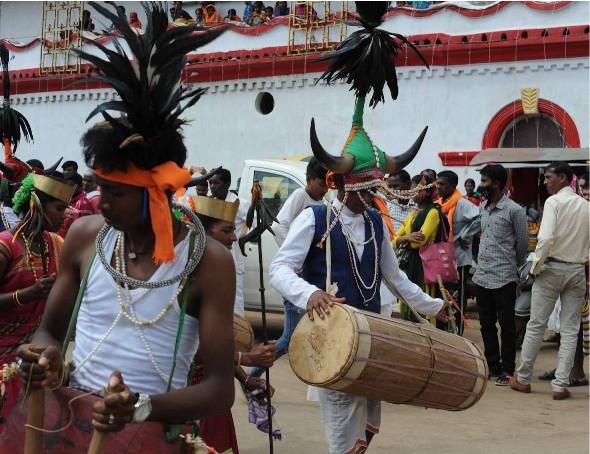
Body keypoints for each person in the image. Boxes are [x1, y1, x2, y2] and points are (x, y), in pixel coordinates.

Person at [4, 4, 233, 451]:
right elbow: (50, 329)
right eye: (100, 188)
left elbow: (221, 389)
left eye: (117, 193)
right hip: (65, 424)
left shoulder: (209, 262)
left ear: (156, 195)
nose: (100, 203)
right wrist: (45, 355)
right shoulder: (85, 236)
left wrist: (141, 407)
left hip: (151, 434)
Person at [271, 95, 447, 453]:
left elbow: (395, 278)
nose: (374, 195)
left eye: (375, 187)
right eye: (367, 188)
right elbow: (279, 269)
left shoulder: (374, 223)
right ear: (340, 183)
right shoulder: (314, 218)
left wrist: (432, 306)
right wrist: (310, 295)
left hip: (370, 339)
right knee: (342, 434)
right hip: (332, 341)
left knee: (364, 431)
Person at [191, 195, 276, 454]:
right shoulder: (188, 278)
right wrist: (247, 358)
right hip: (188, 395)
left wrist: (244, 380)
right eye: (226, 230)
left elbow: (217, 343)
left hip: (213, 393)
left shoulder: (218, 272)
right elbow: (196, 350)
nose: (234, 238)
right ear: (203, 234)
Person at [510, 162, 590, 400]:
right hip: (576, 270)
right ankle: (560, 385)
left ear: (563, 178)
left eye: (548, 177)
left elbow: (544, 240)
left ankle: (523, 379)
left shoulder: (554, 202)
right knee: (569, 329)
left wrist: (535, 268)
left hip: (552, 267)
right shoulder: (586, 207)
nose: (544, 182)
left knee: (536, 325)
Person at [0, 173, 72, 431]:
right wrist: (28, 293)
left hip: (35, 355)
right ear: (37, 204)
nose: (66, 214)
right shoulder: (5, 245)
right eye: (60, 207)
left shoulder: (58, 243)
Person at [250, 157, 328, 379]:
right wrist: (297, 260)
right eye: (321, 185)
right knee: (289, 338)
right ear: (309, 179)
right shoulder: (300, 197)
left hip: (312, 281)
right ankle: (253, 375)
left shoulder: (322, 205)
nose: (324, 190)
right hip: (296, 277)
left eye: (327, 185)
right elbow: (278, 226)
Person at [473, 164, 528, 386]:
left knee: (507, 326)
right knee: (486, 324)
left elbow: (522, 245)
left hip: (504, 277)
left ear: (496, 183)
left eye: (485, 181)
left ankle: (507, 370)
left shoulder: (514, 210)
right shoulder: (482, 207)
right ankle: (492, 366)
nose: (481, 186)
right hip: (482, 276)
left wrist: (514, 269)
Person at [394, 174, 447, 326]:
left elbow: (418, 242)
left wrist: (405, 238)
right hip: (411, 262)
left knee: (422, 298)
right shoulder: (413, 213)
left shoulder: (433, 212)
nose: (413, 193)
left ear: (428, 192)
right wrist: (405, 238)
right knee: (408, 298)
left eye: (417, 190)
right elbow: (395, 238)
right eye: (412, 189)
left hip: (424, 264)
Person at [437, 170, 480, 334]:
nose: (439, 187)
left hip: (459, 259)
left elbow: (480, 217)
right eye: (438, 183)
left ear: (453, 186)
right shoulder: (440, 203)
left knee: (457, 297)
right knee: (444, 294)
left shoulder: (461, 203)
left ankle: (458, 332)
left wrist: (465, 235)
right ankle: (445, 330)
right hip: (443, 257)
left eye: (443, 184)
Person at [210, 168, 249, 316]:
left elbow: (257, 223)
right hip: (213, 257)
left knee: (235, 299)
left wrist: (244, 239)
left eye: (216, 183)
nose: (212, 186)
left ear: (227, 185)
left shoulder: (239, 203)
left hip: (233, 256)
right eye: (210, 183)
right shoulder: (210, 203)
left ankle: (239, 335)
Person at [57, 172, 94, 238]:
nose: (66, 189)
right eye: (65, 186)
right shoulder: (66, 200)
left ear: (79, 186)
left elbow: (84, 231)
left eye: (69, 186)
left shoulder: (84, 204)